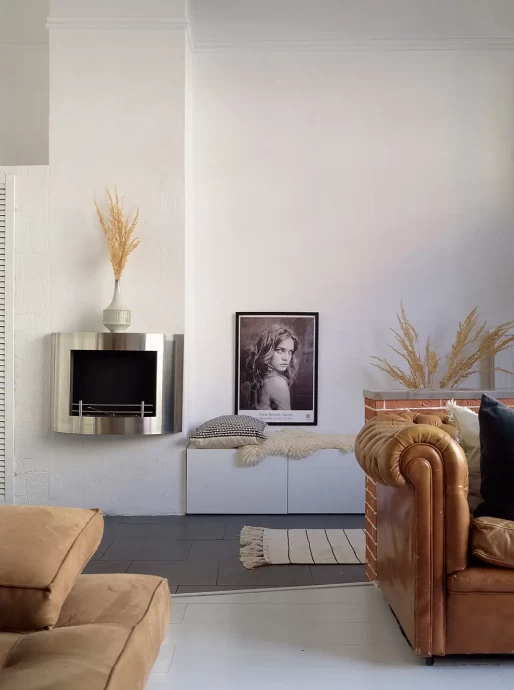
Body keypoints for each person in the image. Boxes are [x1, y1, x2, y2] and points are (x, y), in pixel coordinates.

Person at [241, 324, 300, 410]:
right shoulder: (278, 382)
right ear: (267, 350)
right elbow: (286, 417)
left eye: (290, 352)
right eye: (280, 350)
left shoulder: (261, 378)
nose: (286, 358)